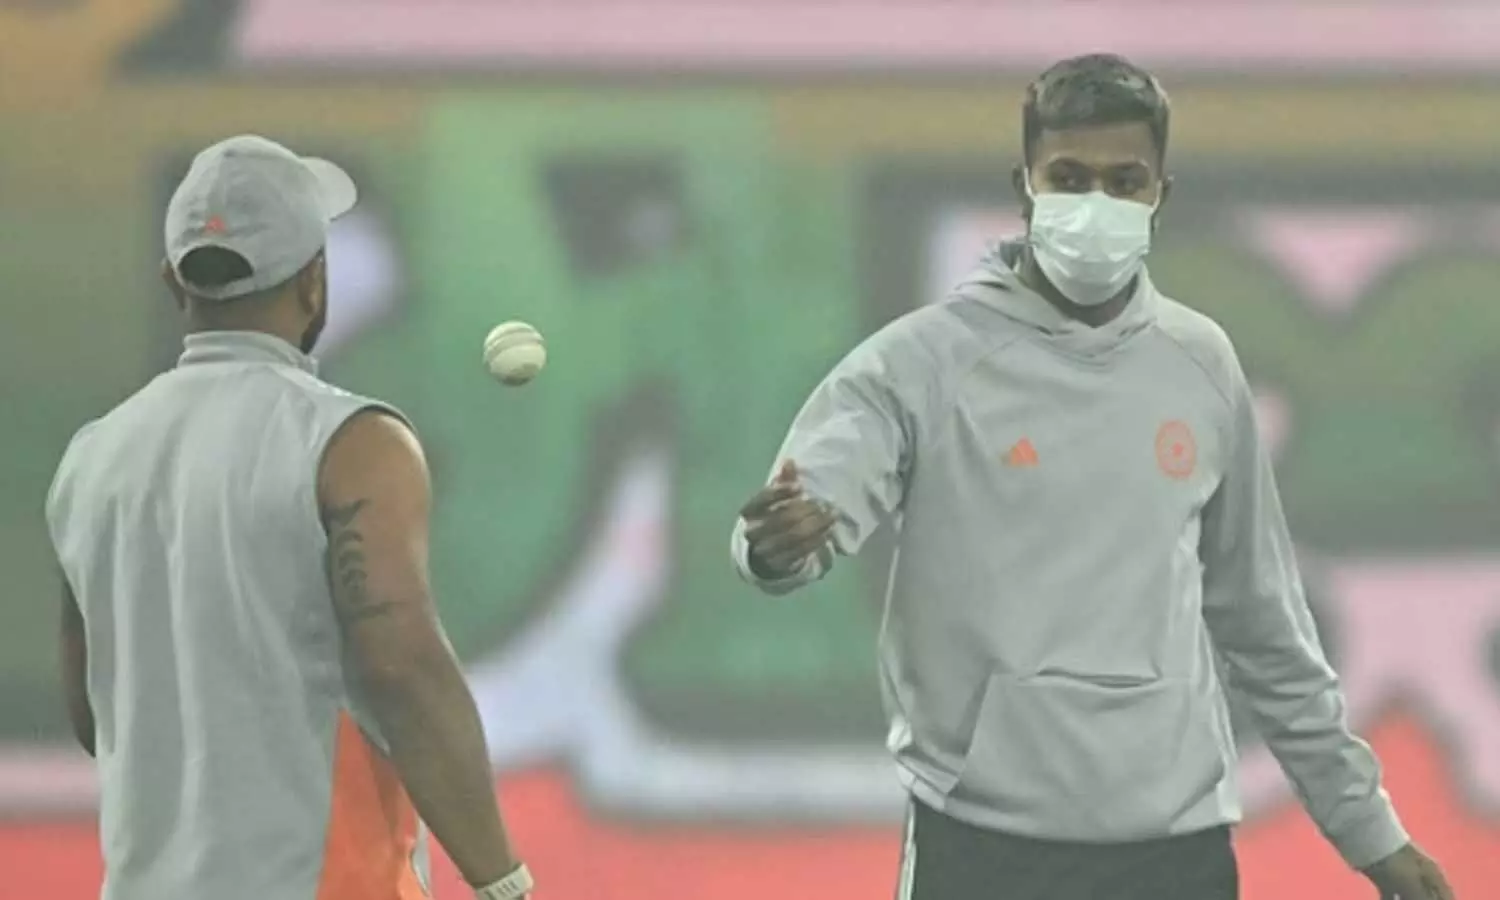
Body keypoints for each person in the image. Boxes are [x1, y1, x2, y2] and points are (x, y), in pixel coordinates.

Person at [730, 55, 1456, 900]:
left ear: (1160, 196)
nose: (1095, 206)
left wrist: (1370, 833)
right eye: (1069, 178)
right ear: (1025, 186)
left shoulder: (1201, 364)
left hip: (1176, 850)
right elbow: (811, 503)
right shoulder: (921, 363)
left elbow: (1265, 625)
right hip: (982, 845)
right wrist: (776, 546)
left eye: (1124, 182)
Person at [46, 135, 534, 900]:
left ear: (175, 281)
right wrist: (503, 883)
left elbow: (93, 712)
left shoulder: (90, 459)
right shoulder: (356, 446)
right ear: (315, 281)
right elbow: (403, 669)